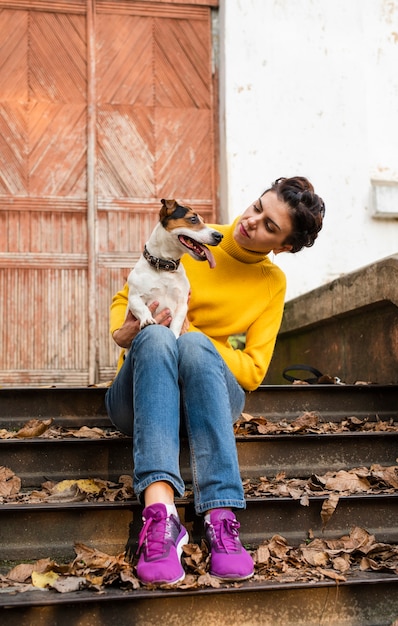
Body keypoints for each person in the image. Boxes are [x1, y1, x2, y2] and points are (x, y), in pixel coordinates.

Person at [105, 176, 325, 585]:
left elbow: (254, 370)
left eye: (269, 227)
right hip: (140, 397)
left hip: (211, 395)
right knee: (154, 335)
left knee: (194, 347)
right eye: (257, 206)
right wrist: (125, 333)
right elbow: (125, 304)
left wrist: (194, 337)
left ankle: (220, 516)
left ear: (285, 248)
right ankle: (160, 516)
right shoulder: (191, 236)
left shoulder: (271, 284)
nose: (250, 221)